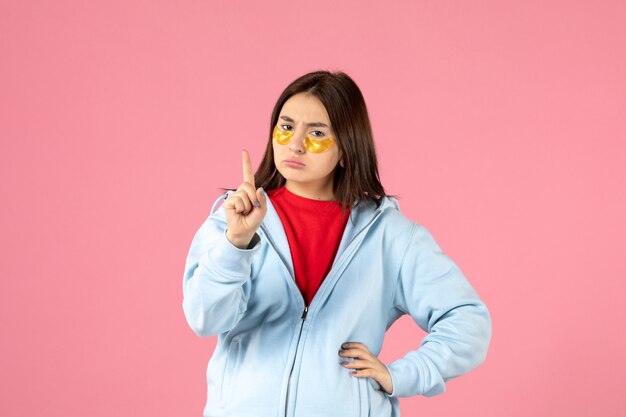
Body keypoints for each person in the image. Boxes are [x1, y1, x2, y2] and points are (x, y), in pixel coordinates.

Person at [182, 70, 492, 417]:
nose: (295, 143)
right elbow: (204, 319)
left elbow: (468, 320)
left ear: (346, 149)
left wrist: (401, 375)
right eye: (286, 127)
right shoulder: (233, 217)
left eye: (316, 133)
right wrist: (236, 244)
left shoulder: (390, 237)